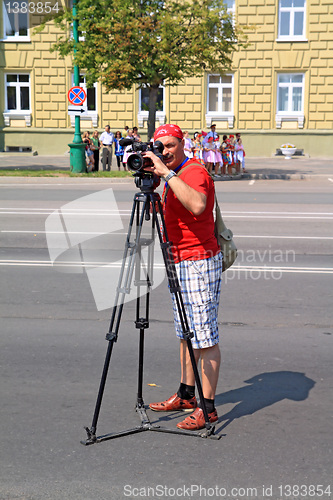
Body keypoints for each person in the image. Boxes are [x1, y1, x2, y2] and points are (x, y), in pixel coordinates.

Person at [143, 124, 223, 431]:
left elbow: (198, 206)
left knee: (204, 336)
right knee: (185, 332)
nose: (165, 151)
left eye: (170, 145)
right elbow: (163, 217)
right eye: (160, 146)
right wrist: (151, 187)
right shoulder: (170, 175)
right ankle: (187, 394)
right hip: (178, 261)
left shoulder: (193, 172)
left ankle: (209, 407)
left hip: (199, 262)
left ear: (182, 144)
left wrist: (165, 173)